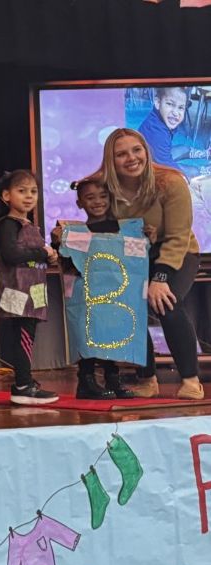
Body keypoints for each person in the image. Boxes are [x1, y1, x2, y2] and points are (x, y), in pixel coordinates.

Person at [92, 128, 203, 399]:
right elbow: (105, 228)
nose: (131, 158)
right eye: (121, 154)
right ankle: (147, 379)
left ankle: (191, 381)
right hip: (136, 255)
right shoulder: (105, 188)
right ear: (111, 160)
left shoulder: (171, 182)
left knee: (167, 304)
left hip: (178, 252)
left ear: (146, 151)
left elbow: (178, 237)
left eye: (136, 150)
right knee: (129, 308)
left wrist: (160, 278)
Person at [51, 179, 138, 399]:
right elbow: (69, 261)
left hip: (114, 292)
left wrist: (147, 237)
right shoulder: (76, 231)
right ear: (80, 203)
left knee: (112, 332)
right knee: (87, 331)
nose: (97, 202)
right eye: (90, 198)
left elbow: (135, 257)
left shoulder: (122, 229)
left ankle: (112, 377)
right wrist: (59, 242)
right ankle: (86, 380)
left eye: (103, 196)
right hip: (86, 293)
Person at [0, 170, 60, 405]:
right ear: (6, 196)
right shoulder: (9, 224)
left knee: (27, 335)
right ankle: (22, 385)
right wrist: (41, 253)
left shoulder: (30, 225)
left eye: (33, 191)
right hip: (16, 290)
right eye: (22, 191)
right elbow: (11, 254)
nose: (29, 196)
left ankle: (25, 382)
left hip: (32, 290)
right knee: (23, 336)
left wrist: (51, 255)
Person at [137, 87, 207, 174]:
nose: (175, 113)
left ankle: (205, 154)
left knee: (183, 148)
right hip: (147, 169)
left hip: (153, 155)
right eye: (170, 104)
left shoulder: (160, 117)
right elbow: (168, 168)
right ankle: (202, 172)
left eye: (180, 108)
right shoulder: (157, 134)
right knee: (192, 171)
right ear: (158, 103)